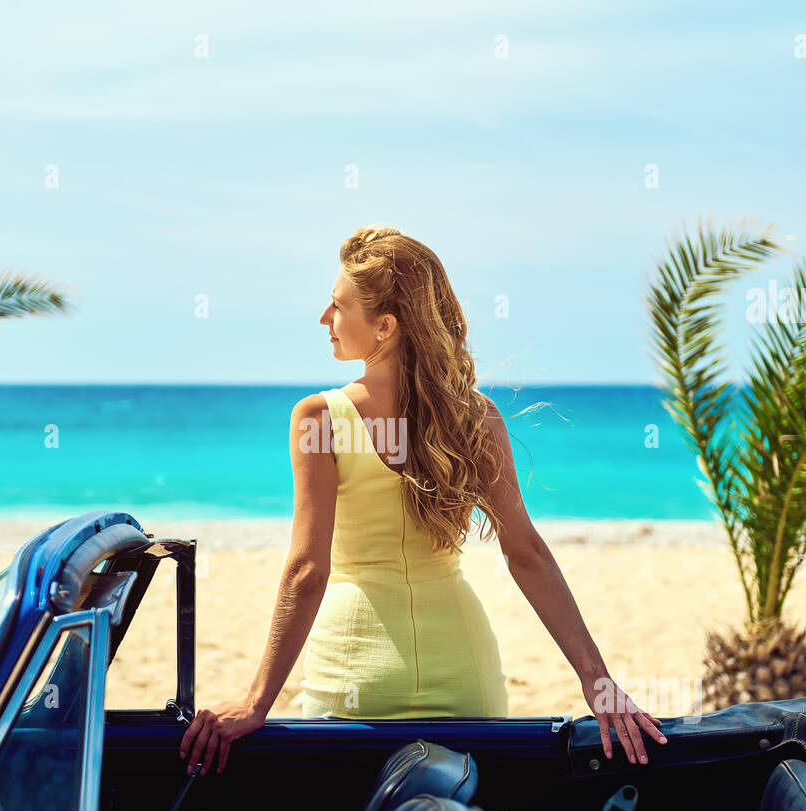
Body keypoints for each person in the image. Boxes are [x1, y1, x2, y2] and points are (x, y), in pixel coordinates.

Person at [180, 225, 666, 773]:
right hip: (466, 675)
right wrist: (596, 681)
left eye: (337, 306)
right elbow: (525, 551)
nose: (325, 319)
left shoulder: (319, 416)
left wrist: (256, 701)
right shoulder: (474, 416)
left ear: (384, 326)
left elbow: (307, 570)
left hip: (355, 678)